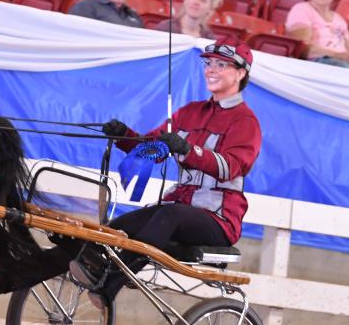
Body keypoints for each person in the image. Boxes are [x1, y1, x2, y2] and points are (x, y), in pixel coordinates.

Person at [72, 36, 262, 305]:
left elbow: (231, 167)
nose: (211, 69)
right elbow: (152, 147)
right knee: (120, 226)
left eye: (222, 65)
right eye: (209, 63)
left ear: (241, 73)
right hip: (177, 208)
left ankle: (109, 284)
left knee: (168, 214)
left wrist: (188, 150)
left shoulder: (246, 121)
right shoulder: (189, 112)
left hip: (218, 219)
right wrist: (124, 135)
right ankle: (77, 265)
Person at [155, 0, 222, 38]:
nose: (196, 2)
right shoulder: (165, 28)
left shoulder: (209, 39)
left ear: (211, 10)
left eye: (203, 0)